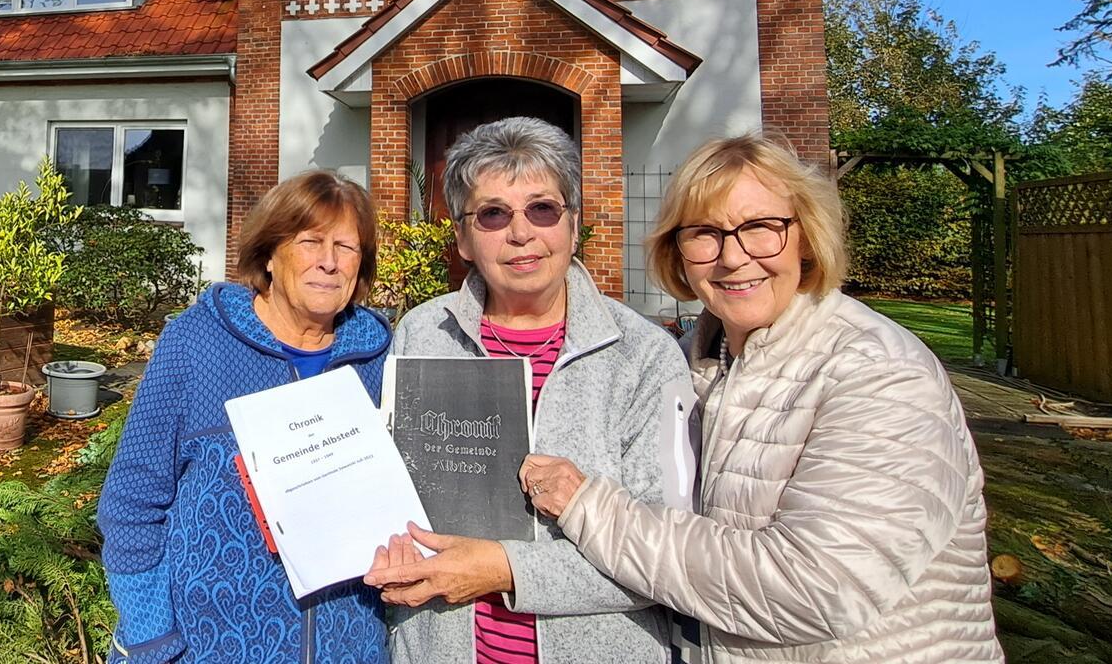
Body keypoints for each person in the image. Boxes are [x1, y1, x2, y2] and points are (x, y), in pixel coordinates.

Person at [519, 134, 1001, 662]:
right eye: (705, 233)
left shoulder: (880, 374)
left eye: (761, 228)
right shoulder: (692, 362)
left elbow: (816, 587)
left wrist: (589, 507)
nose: (732, 257)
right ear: (677, 252)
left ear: (806, 236)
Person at [368, 116, 688, 663]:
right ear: (464, 238)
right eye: (493, 214)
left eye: (543, 209)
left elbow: (670, 558)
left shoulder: (643, 355)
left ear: (573, 223)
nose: (521, 233)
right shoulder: (422, 333)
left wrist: (503, 569)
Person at [98, 169, 393, 663]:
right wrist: (152, 637)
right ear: (270, 253)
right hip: (208, 646)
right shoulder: (197, 344)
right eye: (310, 241)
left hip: (350, 645)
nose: (328, 262)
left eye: (347, 247)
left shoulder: (380, 361)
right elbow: (131, 503)